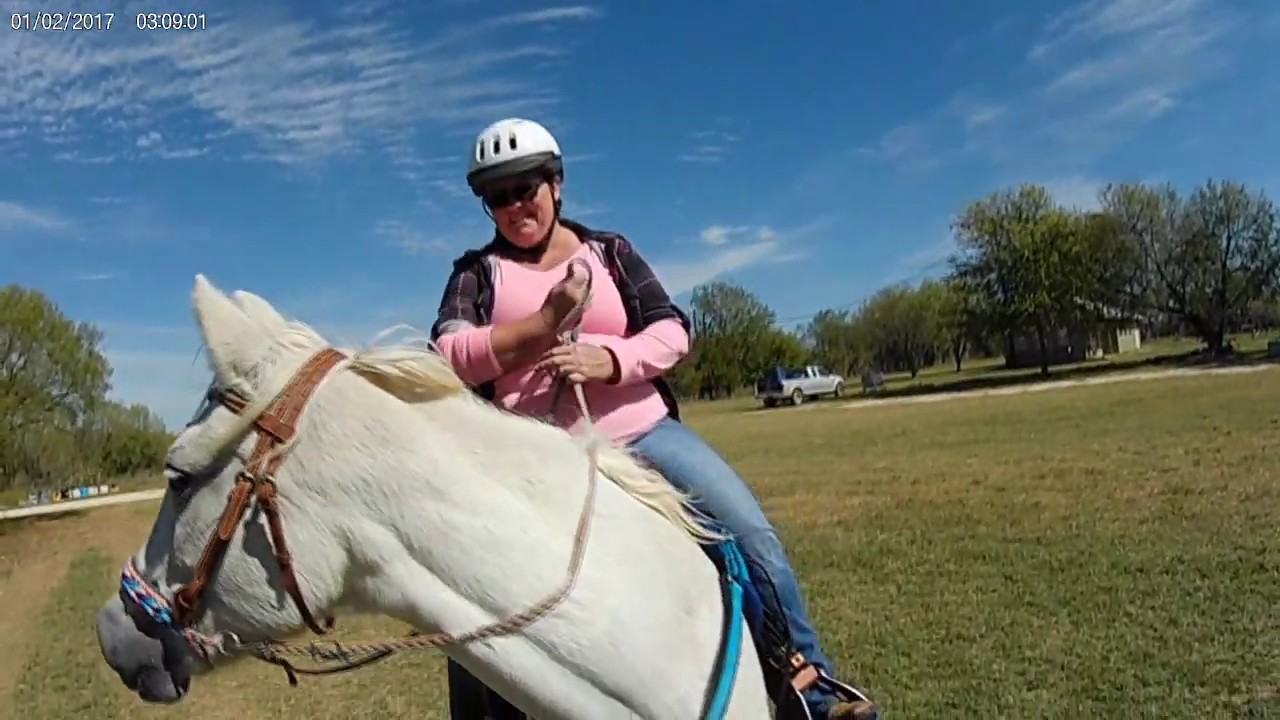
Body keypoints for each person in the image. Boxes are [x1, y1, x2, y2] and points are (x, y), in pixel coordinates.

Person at [430, 117, 879, 720]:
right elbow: (449, 354)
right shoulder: (476, 272)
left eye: (525, 188)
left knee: (749, 535)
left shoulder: (610, 251)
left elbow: (672, 330)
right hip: (533, 450)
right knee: (466, 589)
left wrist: (608, 358)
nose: (514, 206)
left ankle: (808, 686)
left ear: (556, 184)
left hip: (640, 429)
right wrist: (542, 326)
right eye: (497, 196)